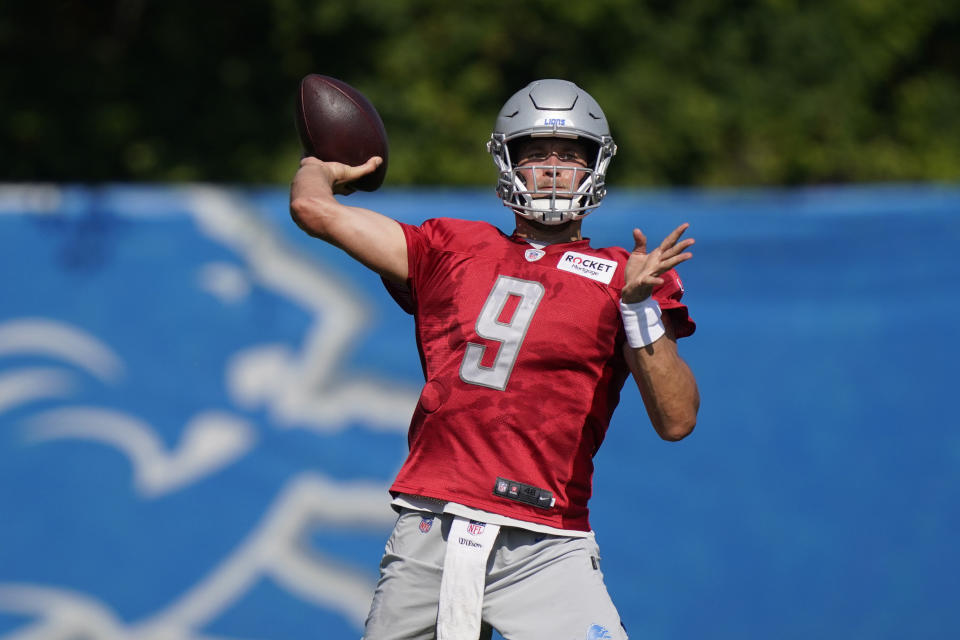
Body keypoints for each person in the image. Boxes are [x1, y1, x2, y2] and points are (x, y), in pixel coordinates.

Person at [290, 79, 699, 640]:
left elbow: (677, 420)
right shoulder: (449, 247)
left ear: (595, 167)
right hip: (433, 524)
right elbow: (313, 209)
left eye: (570, 156)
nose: (553, 169)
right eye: (535, 154)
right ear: (506, 162)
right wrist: (325, 165)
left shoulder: (624, 276)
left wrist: (638, 307)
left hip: (546, 542)